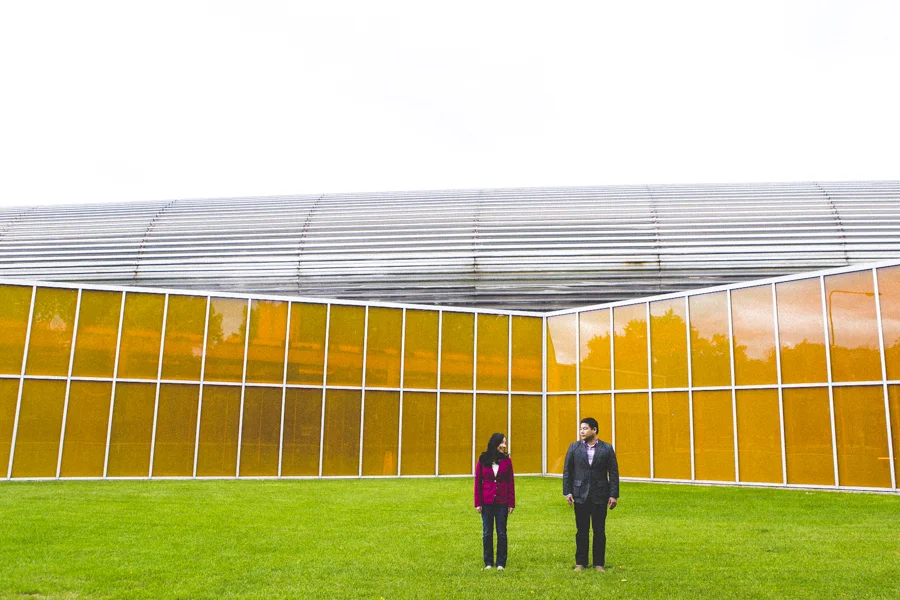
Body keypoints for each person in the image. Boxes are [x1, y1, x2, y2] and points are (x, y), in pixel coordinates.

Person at [562, 417, 619, 572]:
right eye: (581, 428)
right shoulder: (574, 448)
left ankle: (599, 563)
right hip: (580, 495)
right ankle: (580, 562)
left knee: (599, 530)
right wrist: (567, 492)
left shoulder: (607, 449)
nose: (582, 431)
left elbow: (613, 473)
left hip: (600, 495)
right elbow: (568, 471)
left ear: (594, 430)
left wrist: (613, 495)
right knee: (581, 530)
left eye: (585, 428)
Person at [474, 432, 515, 570]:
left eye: (505, 443)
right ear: (495, 444)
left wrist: (511, 503)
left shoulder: (507, 461)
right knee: (487, 532)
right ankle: (489, 562)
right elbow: (478, 482)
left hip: (502, 501)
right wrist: (478, 503)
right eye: (502, 443)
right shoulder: (483, 460)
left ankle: (501, 563)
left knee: (501, 532)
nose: (504, 446)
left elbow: (510, 482)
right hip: (486, 501)